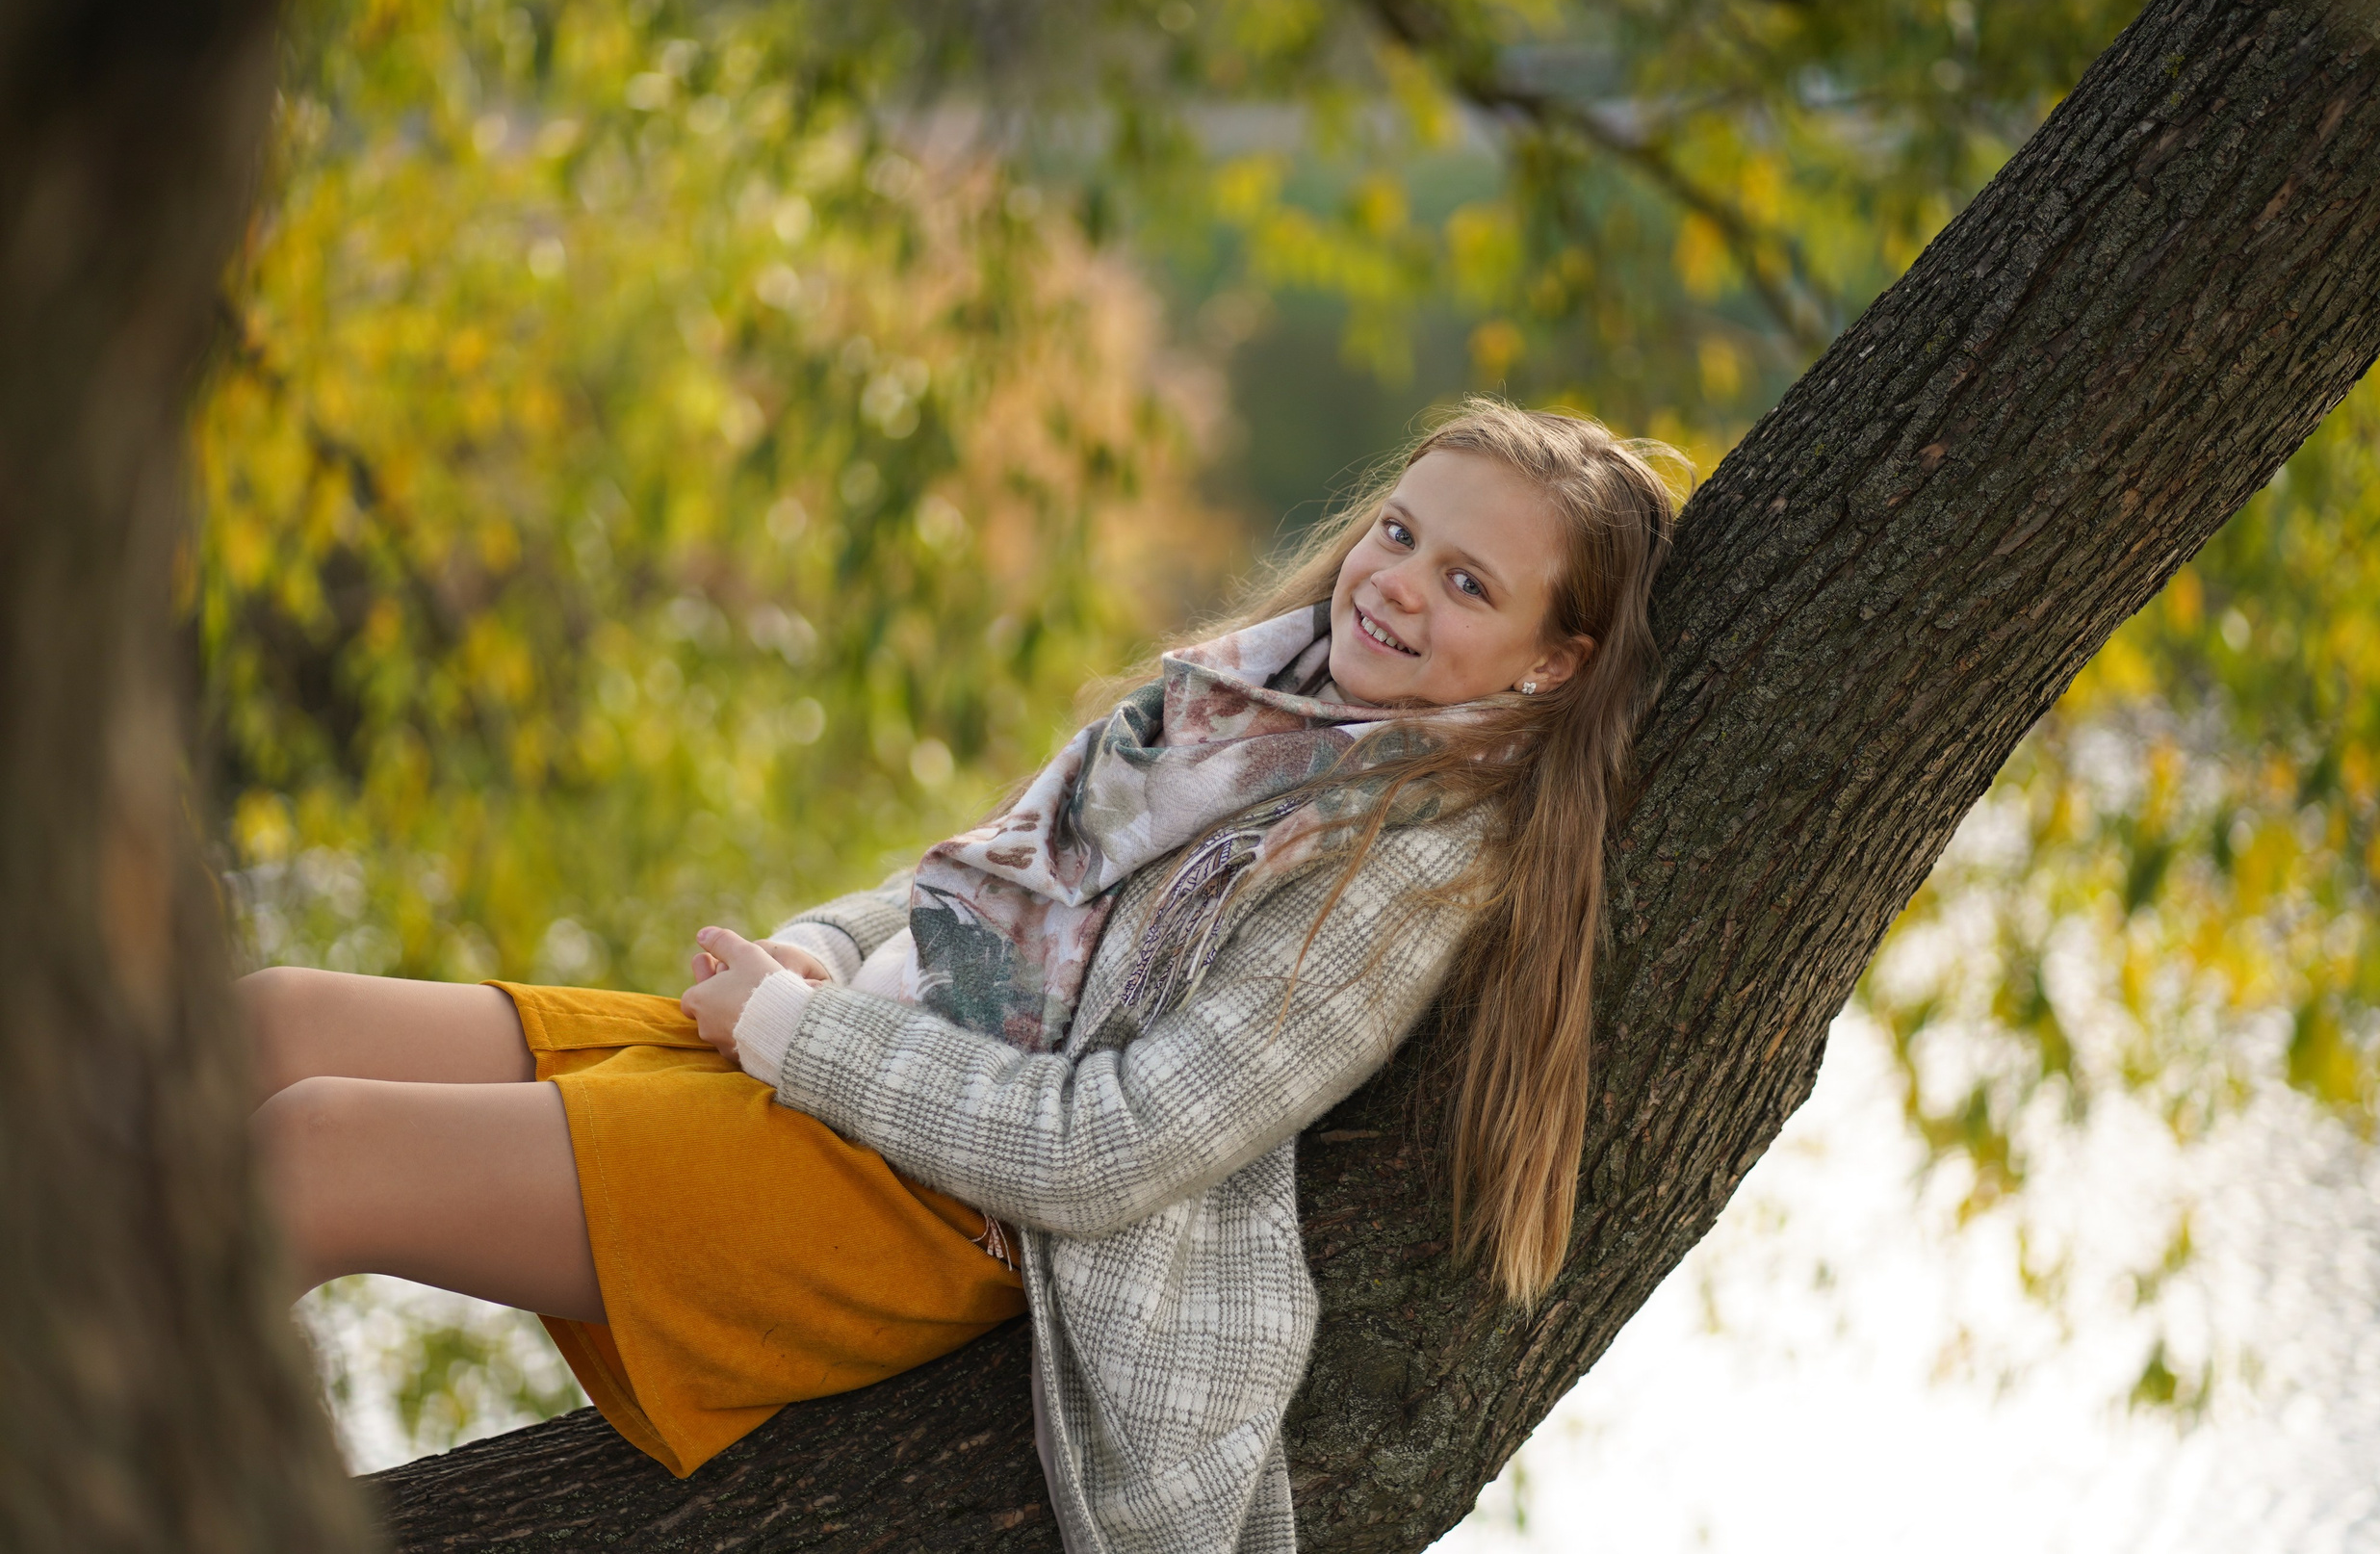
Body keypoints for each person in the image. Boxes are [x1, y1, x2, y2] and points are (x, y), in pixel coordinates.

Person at [242, 398, 1684, 1554]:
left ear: (1553, 666)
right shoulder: (1242, 698)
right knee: (266, 1030)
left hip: (951, 1202)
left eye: (1467, 582)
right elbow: (974, 890)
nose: (1396, 586)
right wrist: (823, 948)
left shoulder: (1410, 871)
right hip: (859, 1050)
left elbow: (1110, 1151)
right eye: (1401, 532)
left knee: (307, 1159)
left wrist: (800, 1035)